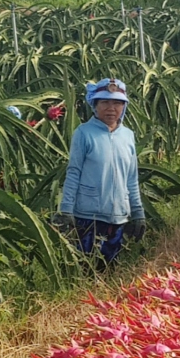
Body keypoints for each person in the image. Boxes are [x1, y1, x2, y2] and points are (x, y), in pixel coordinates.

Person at [52, 77, 146, 266]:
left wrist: (138, 213)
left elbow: (131, 178)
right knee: (86, 268)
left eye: (117, 103)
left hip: (118, 217)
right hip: (88, 217)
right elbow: (74, 172)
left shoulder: (128, 136)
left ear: (124, 107)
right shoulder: (84, 133)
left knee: (110, 269)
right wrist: (66, 209)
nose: (111, 108)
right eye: (105, 102)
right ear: (95, 105)